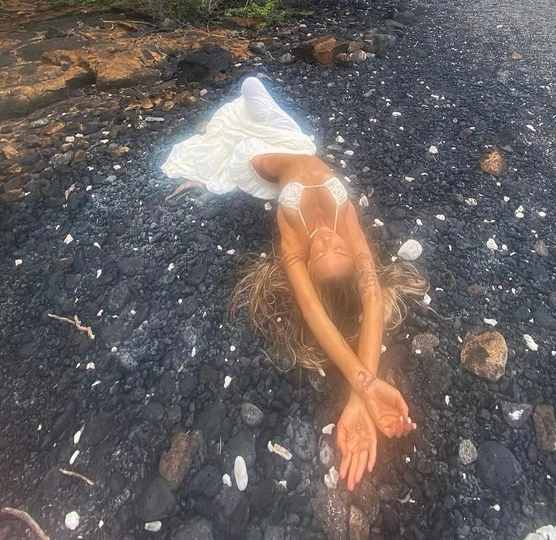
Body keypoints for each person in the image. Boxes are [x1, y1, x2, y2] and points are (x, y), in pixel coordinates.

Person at [162, 77, 429, 489]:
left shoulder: (293, 238)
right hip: (294, 142)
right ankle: (275, 120)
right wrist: (369, 386)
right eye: (337, 250)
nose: (325, 243)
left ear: (308, 264)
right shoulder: (348, 227)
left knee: (250, 88)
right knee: (269, 103)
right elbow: (372, 296)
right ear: (351, 255)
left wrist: (358, 396)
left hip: (260, 157)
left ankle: (252, 120)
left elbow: (312, 308)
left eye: (319, 256)